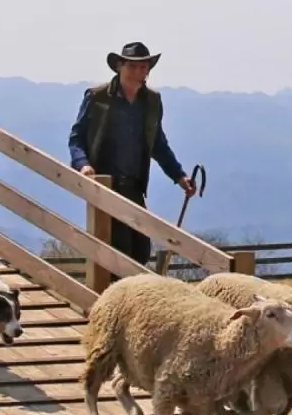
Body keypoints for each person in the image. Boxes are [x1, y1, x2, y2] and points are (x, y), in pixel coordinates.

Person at [68, 41, 196, 272]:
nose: (139, 72)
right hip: (106, 185)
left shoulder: (151, 101)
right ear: (120, 66)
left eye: (144, 67)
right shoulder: (98, 98)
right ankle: (117, 303)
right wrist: (83, 165)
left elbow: (157, 143)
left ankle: (129, 302)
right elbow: (76, 138)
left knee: (140, 249)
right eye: (133, 67)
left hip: (135, 187)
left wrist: (179, 176)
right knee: (119, 249)